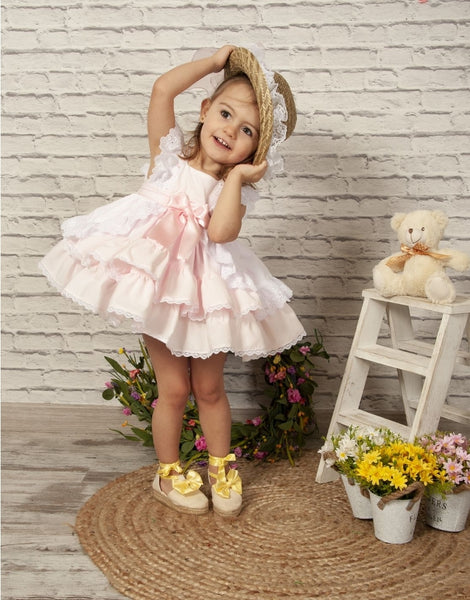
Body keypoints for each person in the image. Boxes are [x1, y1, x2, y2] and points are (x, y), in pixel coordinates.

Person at [39, 45, 306, 517]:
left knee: (210, 389)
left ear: (255, 151)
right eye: (225, 114)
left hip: (209, 292)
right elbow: (163, 89)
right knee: (175, 390)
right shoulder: (167, 159)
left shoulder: (231, 189)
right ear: (204, 110)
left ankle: (221, 468)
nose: (230, 130)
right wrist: (217, 61)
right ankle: (168, 474)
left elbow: (220, 233)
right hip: (161, 289)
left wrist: (236, 180)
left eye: (247, 131)